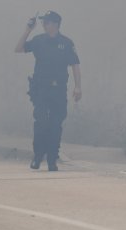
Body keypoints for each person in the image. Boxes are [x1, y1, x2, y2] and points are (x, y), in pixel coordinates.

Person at [15, 10, 81, 171]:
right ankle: (38, 156)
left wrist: (78, 86)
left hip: (58, 89)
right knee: (41, 123)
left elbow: (75, 65)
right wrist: (28, 29)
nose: (44, 25)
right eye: (43, 23)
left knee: (55, 124)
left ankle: (52, 159)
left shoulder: (66, 43)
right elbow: (18, 49)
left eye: (47, 22)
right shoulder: (38, 40)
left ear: (56, 24)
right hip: (41, 89)